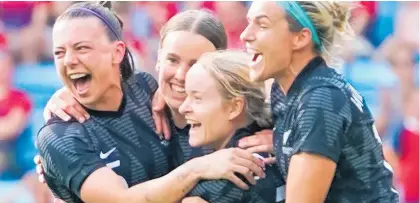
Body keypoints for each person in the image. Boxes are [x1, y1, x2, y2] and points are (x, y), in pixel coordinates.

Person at [36, 3, 265, 203]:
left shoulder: (145, 90)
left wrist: (280, 135)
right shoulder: (62, 133)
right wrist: (199, 168)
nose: (181, 75)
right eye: (59, 52)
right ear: (158, 61)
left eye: (82, 48)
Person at [240, 1, 399, 202]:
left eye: (262, 25)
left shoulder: (321, 98)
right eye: (248, 22)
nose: (245, 35)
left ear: (300, 38)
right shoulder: (287, 92)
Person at [177, 50, 284, 202]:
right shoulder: (285, 149)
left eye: (197, 98)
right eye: (187, 95)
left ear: (234, 107)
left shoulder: (222, 185)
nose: (183, 108)